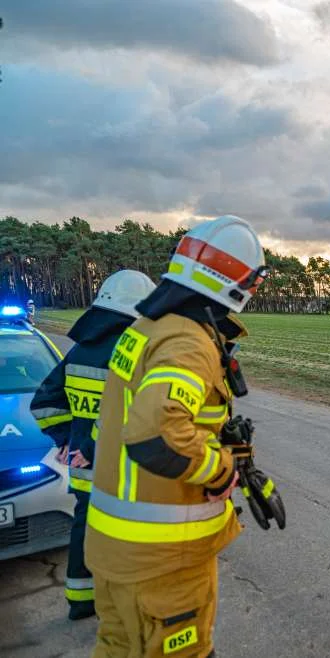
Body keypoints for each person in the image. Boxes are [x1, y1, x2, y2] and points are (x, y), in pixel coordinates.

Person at [85, 215, 268, 658]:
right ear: (240, 283)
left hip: (117, 552)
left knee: (119, 648)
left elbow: (116, 423)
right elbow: (155, 434)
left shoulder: (146, 329)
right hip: (162, 561)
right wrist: (220, 468)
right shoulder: (188, 341)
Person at [30, 270, 157, 620]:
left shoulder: (79, 351)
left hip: (83, 472)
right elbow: (123, 415)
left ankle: (80, 601)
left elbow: (44, 402)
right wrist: (86, 445)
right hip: (119, 470)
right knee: (129, 540)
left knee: (84, 529)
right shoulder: (131, 353)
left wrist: (65, 439)